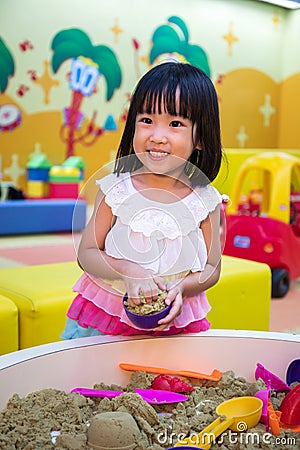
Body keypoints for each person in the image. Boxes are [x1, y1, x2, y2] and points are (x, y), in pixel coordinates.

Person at [61, 61, 225, 339]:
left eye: (175, 124)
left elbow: (212, 268)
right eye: (146, 120)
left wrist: (183, 287)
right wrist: (128, 269)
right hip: (108, 315)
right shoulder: (117, 190)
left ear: (200, 138)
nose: (157, 137)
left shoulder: (204, 200)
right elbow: (86, 253)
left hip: (174, 317)